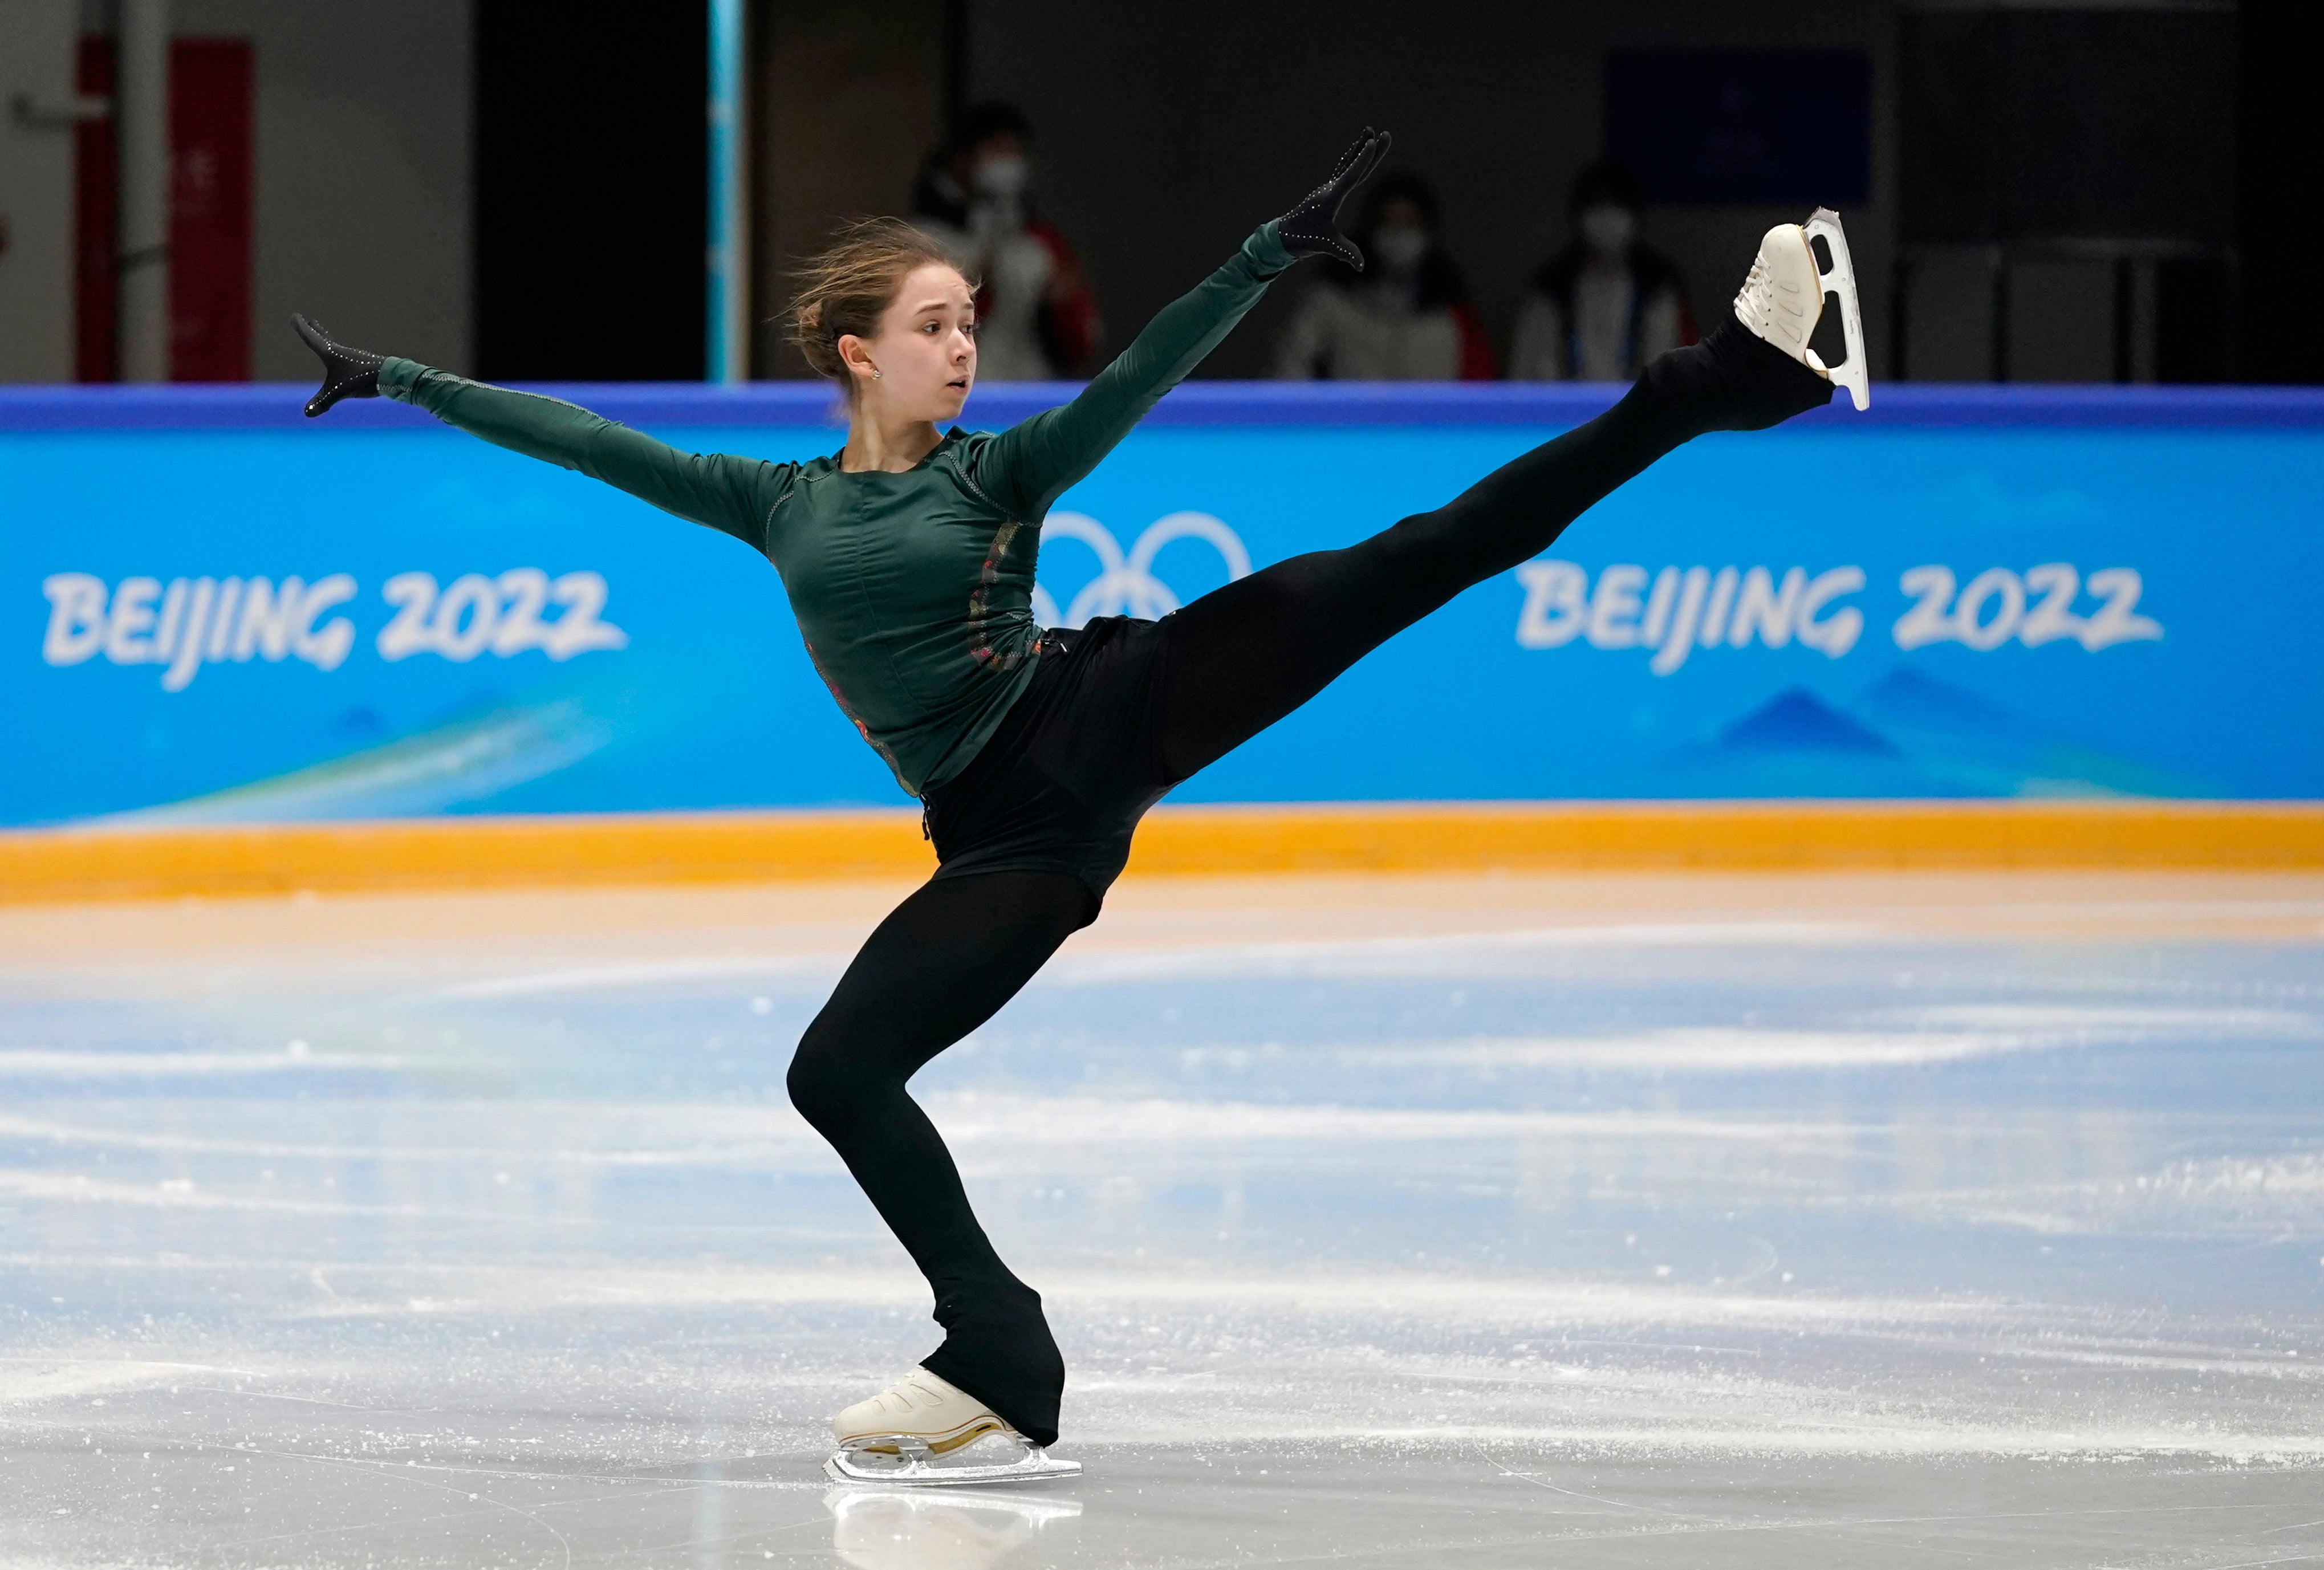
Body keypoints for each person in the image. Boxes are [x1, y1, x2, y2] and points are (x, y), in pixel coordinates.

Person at [290, 130, 1860, 1481]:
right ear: (856, 352)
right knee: (837, 1069)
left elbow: (1135, 375)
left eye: (971, 322)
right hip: (1015, 833)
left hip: (1116, 701)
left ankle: (1727, 376)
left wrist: (1258, 256)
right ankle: (1004, 1351)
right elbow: (584, 439)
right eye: (933, 326)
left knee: (1412, 559)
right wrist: (398, 379)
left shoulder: (1001, 476)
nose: (964, 348)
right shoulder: (772, 502)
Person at [908, 102, 1099, 381]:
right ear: (962, 158)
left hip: (1032, 389)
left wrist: (1061, 304)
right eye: (997, 148)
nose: (1008, 161)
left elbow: (1081, 340)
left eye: (1015, 150)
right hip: (956, 389)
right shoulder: (924, 239)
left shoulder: (1042, 243)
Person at [1270, 171, 1494, 380]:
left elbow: (1479, 386)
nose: (1399, 235)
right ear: (1370, 229)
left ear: (1429, 232)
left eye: (1410, 224)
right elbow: (1290, 372)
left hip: (1430, 423)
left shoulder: (1453, 313)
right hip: (1354, 422)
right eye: (1389, 223)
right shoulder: (1331, 302)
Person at [1509, 159, 1696, 382]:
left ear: (1635, 216)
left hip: (1641, 412)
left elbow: (1680, 375)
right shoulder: (1551, 291)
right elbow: (1525, 376)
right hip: (1568, 414)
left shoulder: (1658, 291)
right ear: (1579, 216)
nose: (1608, 219)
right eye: (1598, 207)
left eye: (1617, 207)